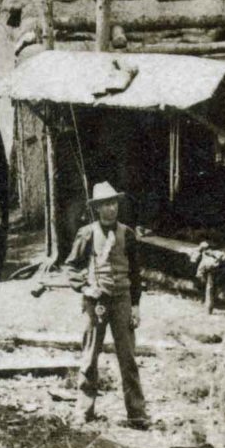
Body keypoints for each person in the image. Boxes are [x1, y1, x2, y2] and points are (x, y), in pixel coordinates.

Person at [65, 181, 149, 429]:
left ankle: (136, 413)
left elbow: (135, 273)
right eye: (105, 205)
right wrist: (85, 286)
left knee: (128, 358)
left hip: (122, 299)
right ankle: (84, 410)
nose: (110, 209)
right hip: (96, 302)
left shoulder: (128, 234)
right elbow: (70, 266)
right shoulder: (87, 233)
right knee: (90, 357)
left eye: (113, 203)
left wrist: (135, 305)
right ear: (97, 209)